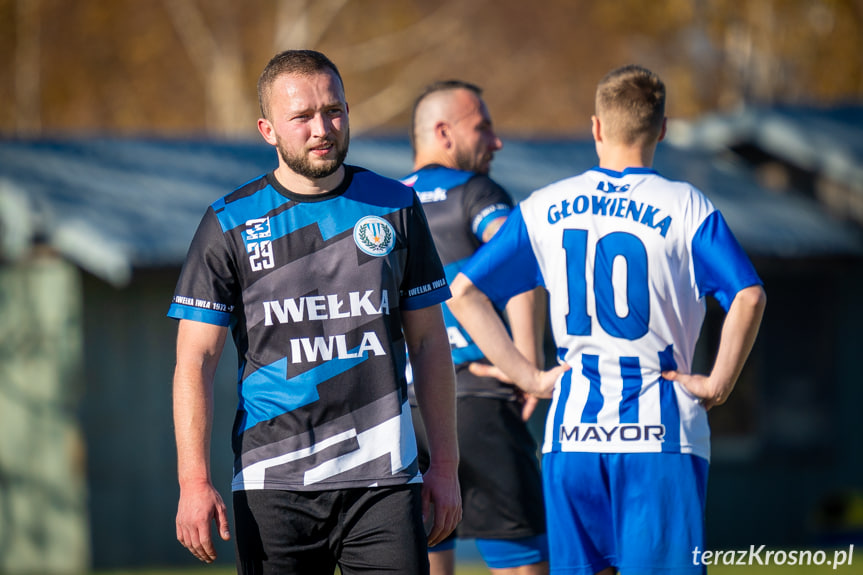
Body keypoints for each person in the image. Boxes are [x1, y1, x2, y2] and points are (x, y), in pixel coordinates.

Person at [447, 65, 766, 575]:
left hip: (572, 436)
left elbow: (464, 292)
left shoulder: (544, 207)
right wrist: (720, 382)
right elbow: (748, 295)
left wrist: (528, 375)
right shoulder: (687, 207)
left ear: (597, 127)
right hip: (661, 437)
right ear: (661, 129)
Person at [168, 49, 461, 575]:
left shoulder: (395, 205)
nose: (322, 128)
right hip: (274, 485)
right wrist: (193, 481)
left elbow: (429, 343)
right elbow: (195, 360)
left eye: (334, 111)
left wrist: (445, 465)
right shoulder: (229, 222)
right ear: (268, 130)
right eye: (302, 117)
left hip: (385, 480)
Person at [402, 80, 550, 575]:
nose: (496, 141)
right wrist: (524, 368)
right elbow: (523, 267)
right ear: (443, 132)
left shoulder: (384, 204)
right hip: (476, 402)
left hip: (405, 414)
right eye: (483, 127)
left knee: (428, 557)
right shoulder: (477, 192)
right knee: (520, 560)